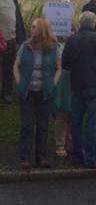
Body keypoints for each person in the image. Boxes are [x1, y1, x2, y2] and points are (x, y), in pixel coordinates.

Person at [62, 11, 96, 169]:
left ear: (80, 23)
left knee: (77, 122)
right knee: (93, 123)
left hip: (77, 84)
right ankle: (92, 158)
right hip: (95, 84)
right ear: (93, 23)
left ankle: (77, 156)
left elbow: (65, 64)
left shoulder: (72, 40)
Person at [14, 18, 61, 168]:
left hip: (45, 92)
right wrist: (19, 82)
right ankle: (25, 157)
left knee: (42, 125)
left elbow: (59, 67)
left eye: (34, 27)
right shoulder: (25, 46)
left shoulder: (53, 47)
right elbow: (16, 66)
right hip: (27, 92)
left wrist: (53, 83)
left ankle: (41, 157)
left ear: (41, 30)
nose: (31, 29)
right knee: (27, 126)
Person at [0, 0, 27, 104]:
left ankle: (7, 93)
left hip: (11, 38)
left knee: (9, 67)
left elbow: (18, 17)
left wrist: (21, 38)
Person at [54, 30, 74, 157]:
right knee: (61, 114)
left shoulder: (76, 44)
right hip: (60, 83)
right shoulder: (54, 46)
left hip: (74, 81)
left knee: (73, 113)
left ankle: (70, 140)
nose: (69, 32)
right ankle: (60, 143)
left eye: (72, 30)